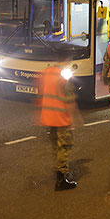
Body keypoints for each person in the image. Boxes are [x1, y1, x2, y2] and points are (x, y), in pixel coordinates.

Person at [38, 60, 82, 191]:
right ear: (64, 61)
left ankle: (59, 170)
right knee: (65, 145)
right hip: (61, 118)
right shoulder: (64, 75)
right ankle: (61, 179)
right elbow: (69, 98)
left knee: (56, 146)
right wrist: (75, 116)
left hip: (48, 116)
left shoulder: (47, 72)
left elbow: (41, 93)